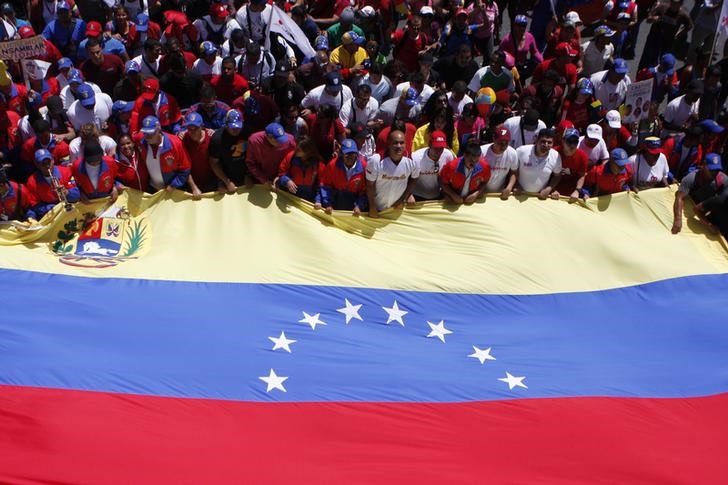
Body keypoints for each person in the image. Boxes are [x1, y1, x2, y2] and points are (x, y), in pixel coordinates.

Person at [366, 130, 420, 217]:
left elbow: (415, 178)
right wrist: (372, 206)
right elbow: (369, 185)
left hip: (397, 209)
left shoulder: (413, 160)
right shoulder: (376, 160)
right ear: (388, 144)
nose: (399, 146)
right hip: (377, 209)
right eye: (395, 143)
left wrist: (404, 199)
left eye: (402, 143)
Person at [672, 153, 728, 236]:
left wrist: (709, 224)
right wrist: (678, 219)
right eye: (711, 170)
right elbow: (679, 197)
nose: (714, 173)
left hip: (706, 208)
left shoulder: (723, 180)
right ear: (703, 166)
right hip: (689, 207)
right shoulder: (691, 178)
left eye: (717, 170)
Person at [137, 115, 191, 193]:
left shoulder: (175, 143)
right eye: (145, 133)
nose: (147, 136)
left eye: (150, 133)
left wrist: (174, 185)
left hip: (174, 190)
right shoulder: (141, 141)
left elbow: (185, 169)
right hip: (153, 189)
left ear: (159, 130)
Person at [25, 148, 80, 218]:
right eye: (43, 164)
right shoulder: (32, 182)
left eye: (49, 162)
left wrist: (67, 193)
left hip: (72, 208)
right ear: (37, 166)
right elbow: (35, 205)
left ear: (53, 160)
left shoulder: (66, 172)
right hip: (52, 214)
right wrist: (51, 208)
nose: (47, 166)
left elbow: (79, 193)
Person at [319, 138, 368, 216]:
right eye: (347, 154)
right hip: (336, 203)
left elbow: (365, 191)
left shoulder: (364, 166)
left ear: (356, 153)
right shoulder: (332, 165)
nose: (350, 156)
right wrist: (328, 204)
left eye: (352, 153)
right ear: (342, 154)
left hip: (354, 206)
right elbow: (326, 185)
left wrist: (359, 206)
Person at [515, 128, 562, 199]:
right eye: (543, 141)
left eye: (549, 142)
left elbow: (557, 176)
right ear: (536, 140)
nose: (546, 145)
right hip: (519, 194)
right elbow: (513, 171)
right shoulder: (521, 151)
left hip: (539, 198)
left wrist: (548, 189)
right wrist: (516, 185)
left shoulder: (556, 156)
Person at [245, 122, 296, 187]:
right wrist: (263, 180)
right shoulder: (254, 141)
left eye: (282, 139)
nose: (281, 143)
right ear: (268, 137)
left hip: (282, 177)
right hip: (262, 177)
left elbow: (293, 161)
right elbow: (251, 163)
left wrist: (281, 176)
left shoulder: (290, 140)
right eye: (277, 141)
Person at [411, 130, 456, 201]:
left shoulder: (448, 155)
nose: (438, 152)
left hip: (439, 196)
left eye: (441, 148)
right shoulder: (416, 158)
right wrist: (409, 195)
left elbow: (450, 178)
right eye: (435, 148)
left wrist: (449, 194)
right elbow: (407, 178)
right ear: (429, 144)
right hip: (417, 197)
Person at [277, 135, 324, 203]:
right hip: (290, 195)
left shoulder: (318, 164)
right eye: (296, 147)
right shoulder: (291, 157)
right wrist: (287, 181)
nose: (295, 150)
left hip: (308, 198)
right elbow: (281, 173)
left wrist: (318, 200)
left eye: (298, 150)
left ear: (307, 151)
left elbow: (321, 184)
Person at [178, 112, 215, 196]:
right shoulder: (183, 139)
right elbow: (184, 167)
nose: (192, 131)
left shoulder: (211, 137)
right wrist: (193, 187)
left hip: (212, 183)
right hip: (192, 184)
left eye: (195, 128)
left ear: (202, 126)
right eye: (189, 128)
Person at [480, 126, 518, 199]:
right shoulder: (482, 152)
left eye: (506, 143)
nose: (503, 146)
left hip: (500, 194)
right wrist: (479, 190)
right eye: (500, 143)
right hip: (481, 192)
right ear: (494, 139)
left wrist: (509, 188)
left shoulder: (512, 153)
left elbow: (514, 172)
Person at [554, 128, 589, 201]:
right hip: (554, 189)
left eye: (575, 142)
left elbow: (581, 176)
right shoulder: (554, 153)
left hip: (571, 192)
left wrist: (577, 191)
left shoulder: (582, 157)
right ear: (563, 141)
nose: (572, 145)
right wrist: (552, 189)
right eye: (569, 141)